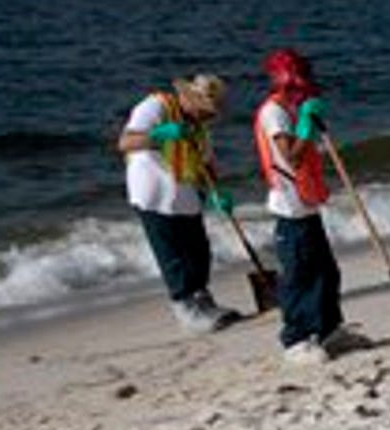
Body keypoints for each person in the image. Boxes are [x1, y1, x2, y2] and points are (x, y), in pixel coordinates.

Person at [118, 74, 241, 334]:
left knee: (199, 251)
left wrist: (218, 192)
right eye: (206, 110)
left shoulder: (200, 126)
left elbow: (207, 163)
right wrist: (160, 134)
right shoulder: (156, 106)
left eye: (212, 112)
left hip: (186, 193)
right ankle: (185, 310)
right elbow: (125, 142)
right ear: (190, 99)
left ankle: (203, 303)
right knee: (172, 255)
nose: (210, 117)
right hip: (152, 192)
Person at [255, 49, 351, 365]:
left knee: (326, 272)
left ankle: (328, 330)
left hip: (306, 203)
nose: (303, 89)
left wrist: (309, 119)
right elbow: (291, 157)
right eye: (298, 83)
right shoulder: (274, 113)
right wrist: (307, 124)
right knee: (299, 275)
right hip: (289, 207)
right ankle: (295, 340)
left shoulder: (294, 109)